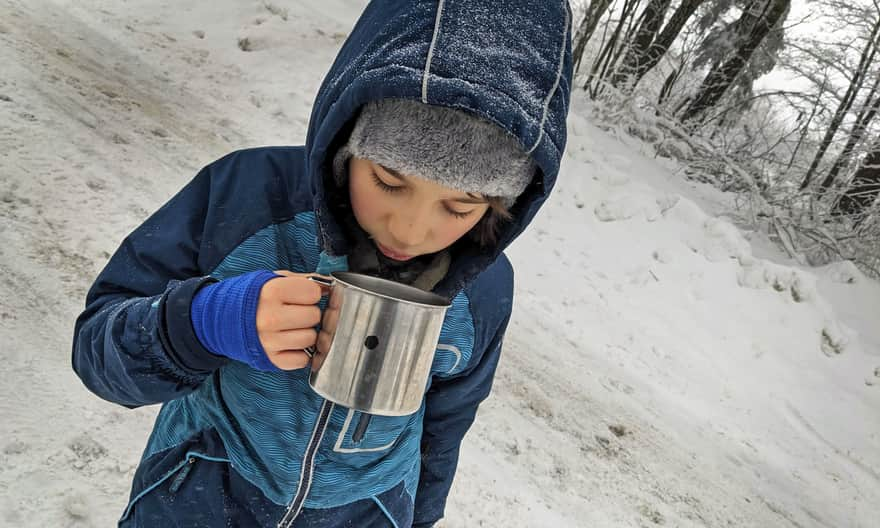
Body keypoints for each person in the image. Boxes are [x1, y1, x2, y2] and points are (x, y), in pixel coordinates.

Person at [72, 1, 573, 526]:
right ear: (343, 141)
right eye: (388, 181)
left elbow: (443, 431)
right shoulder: (245, 196)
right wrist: (205, 322)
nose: (409, 230)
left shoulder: (486, 290)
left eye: (460, 206)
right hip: (198, 497)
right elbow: (97, 355)